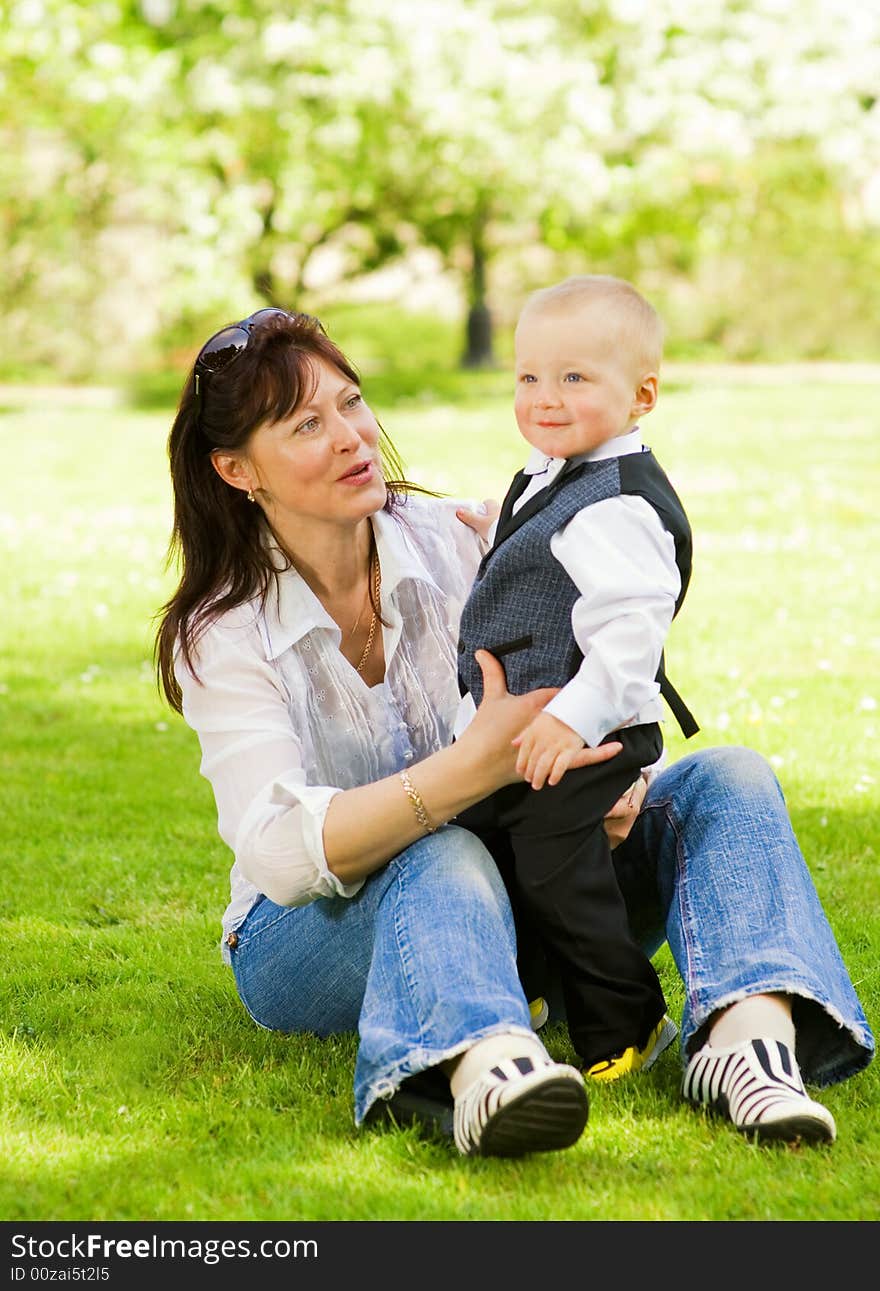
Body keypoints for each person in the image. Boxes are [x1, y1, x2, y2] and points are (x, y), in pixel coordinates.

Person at [154, 307, 873, 1158]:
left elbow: (592, 667)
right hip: (308, 936)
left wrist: (611, 783)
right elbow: (279, 854)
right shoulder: (223, 632)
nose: (352, 436)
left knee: (726, 778)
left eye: (351, 403)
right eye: (307, 424)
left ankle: (746, 1043)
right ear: (237, 469)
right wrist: (470, 770)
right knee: (435, 849)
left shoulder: (467, 540)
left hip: (522, 877)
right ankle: (487, 1063)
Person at [453, 274, 697, 1081]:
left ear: (642, 395)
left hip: (582, 735)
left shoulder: (617, 504)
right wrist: (500, 531)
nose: (544, 398)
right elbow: (555, 554)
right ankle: (521, 985)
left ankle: (628, 1019)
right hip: (531, 733)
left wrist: (575, 716)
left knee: (561, 871)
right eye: (528, 376)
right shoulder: (562, 470)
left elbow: (631, 630)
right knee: (489, 841)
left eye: (574, 377)